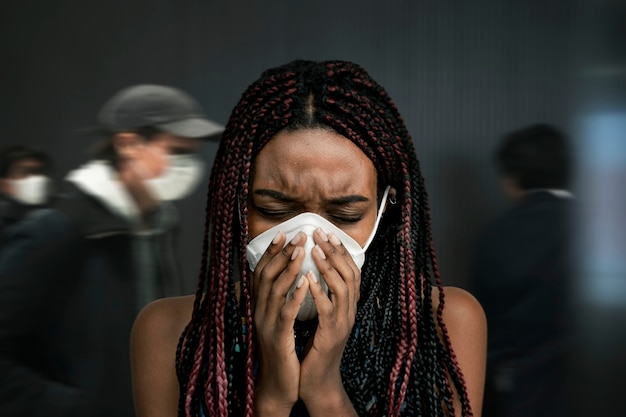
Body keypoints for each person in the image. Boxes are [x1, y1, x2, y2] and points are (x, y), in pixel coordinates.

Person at [131, 60, 487, 417]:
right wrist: (270, 397)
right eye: (273, 209)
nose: (310, 238)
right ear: (239, 203)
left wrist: (324, 391)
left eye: (346, 215)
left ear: (385, 208)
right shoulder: (171, 331)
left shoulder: (445, 325)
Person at [0, 84, 223, 417]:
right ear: (128, 144)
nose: (188, 165)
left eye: (192, 153)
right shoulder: (59, 229)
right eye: (176, 150)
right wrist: (70, 408)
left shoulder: (158, 226)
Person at [470, 124, 573, 417]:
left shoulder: (493, 235)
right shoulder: (605, 230)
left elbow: (484, 319)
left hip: (518, 391)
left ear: (510, 178)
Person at [0, 145, 53, 245]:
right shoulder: (3, 226)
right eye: (24, 172)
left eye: (39, 171)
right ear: (4, 184)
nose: (36, 179)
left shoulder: (62, 218)